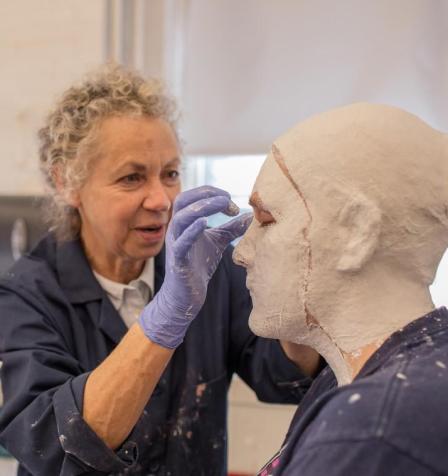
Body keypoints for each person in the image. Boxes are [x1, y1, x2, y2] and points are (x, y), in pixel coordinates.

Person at [0, 64, 320, 476]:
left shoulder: (208, 266)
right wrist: (165, 319)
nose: (161, 199)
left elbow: (279, 370)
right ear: (67, 183)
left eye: (169, 173)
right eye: (131, 178)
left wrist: (299, 282)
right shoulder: (24, 295)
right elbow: (56, 444)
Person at [233, 103, 448, 475]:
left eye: (267, 220)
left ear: (356, 233)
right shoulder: (359, 372)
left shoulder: (371, 432)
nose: (241, 253)